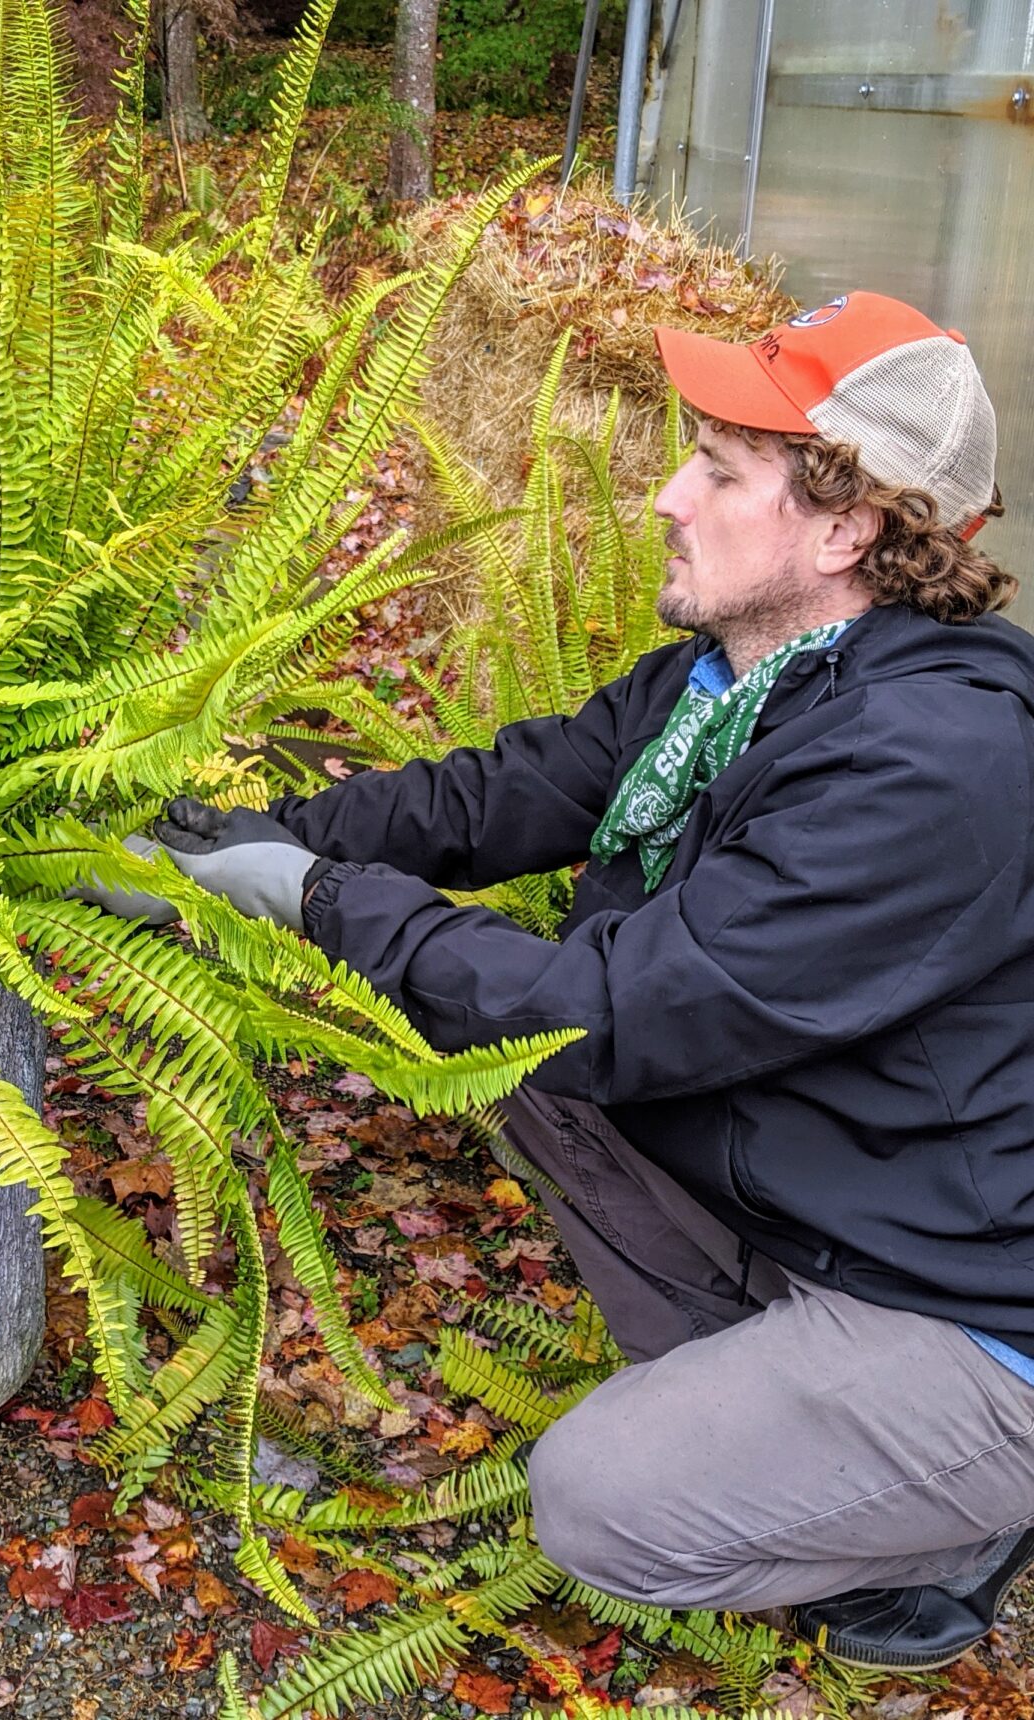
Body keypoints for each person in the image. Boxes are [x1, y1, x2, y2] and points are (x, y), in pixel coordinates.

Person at [82, 292, 1034, 1671]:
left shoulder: (931, 763)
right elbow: (490, 796)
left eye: (718, 470)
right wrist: (224, 825)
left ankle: (946, 1526)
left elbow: (615, 1011)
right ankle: (787, 1395)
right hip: (845, 1197)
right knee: (511, 1062)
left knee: (601, 1506)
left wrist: (316, 902)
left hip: (972, 1298)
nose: (665, 495)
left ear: (847, 528)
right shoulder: (733, 685)